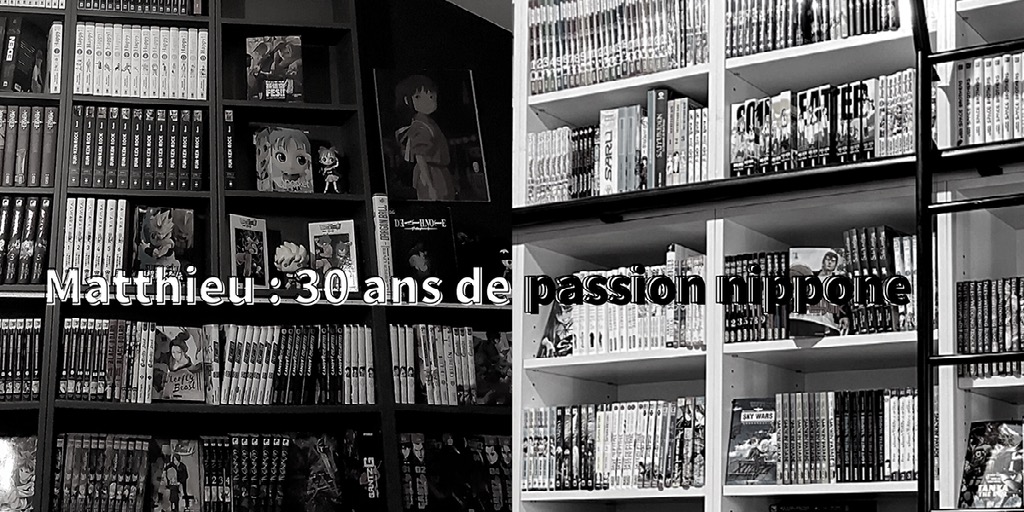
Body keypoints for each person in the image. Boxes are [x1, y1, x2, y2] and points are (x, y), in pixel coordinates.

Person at [394, 74, 456, 201]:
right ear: (407, 101)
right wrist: (430, 186)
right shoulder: (420, 126)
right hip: (431, 174)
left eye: (431, 95)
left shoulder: (429, 122)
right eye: (418, 97)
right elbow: (420, 156)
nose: (428, 100)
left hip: (440, 173)